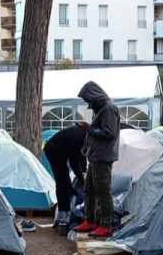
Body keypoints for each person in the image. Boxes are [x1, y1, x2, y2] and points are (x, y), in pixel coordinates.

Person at [73, 81, 120, 238]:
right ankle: (90, 220)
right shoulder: (101, 108)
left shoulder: (109, 109)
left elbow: (109, 133)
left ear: (94, 96)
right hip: (95, 155)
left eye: (88, 100)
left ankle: (106, 224)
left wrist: (90, 129)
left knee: (103, 191)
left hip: (103, 156)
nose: (88, 104)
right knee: (89, 189)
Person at [42, 125, 87, 227]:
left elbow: (82, 157)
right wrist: (82, 178)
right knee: (63, 182)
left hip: (58, 149)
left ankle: (62, 214)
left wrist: (85, 173)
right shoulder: (79, 138)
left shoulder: (83, 136)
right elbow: (74, 163)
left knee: (63, 182)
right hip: (54, 150)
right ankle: (64, 216)